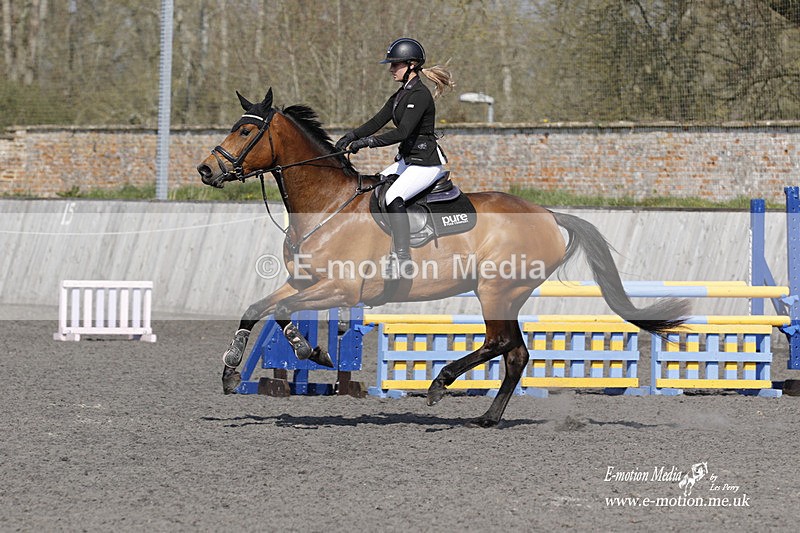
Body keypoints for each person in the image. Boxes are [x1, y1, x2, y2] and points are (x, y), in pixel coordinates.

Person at [336, 37, 455, 279]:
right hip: (409, 160)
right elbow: (377, 121)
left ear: (411, 65)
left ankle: (403, 258)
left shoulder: (420, 95)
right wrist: (350, 136)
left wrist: (367, 143)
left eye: (395, 64)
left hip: (426, 163)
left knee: (393, 196)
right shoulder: (401, 95)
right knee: (375, 188)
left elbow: (402, 132)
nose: (391, 69)